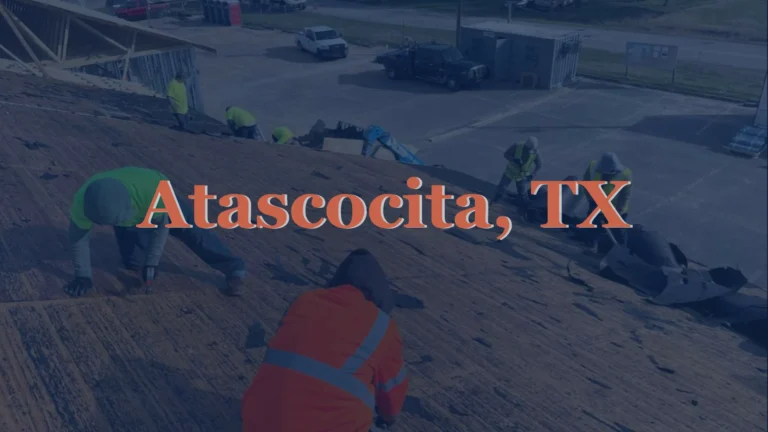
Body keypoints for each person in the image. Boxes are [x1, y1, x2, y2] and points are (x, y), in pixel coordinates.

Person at [242, 249, 408, 432]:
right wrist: (386, 419)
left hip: (256, 422)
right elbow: (391, 399)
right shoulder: (382, 325)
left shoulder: (304, 301)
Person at [64, 166, 247, 297]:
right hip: (130, 210)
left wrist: (152, 263)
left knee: (194, 234)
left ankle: (234, 268)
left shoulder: (153, 192)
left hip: (157, 197)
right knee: (133, 263)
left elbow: (162, 228)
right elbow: (78, 239)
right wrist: (83, 275)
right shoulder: (84, 202)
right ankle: (137, 249)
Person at [582, 152, 632, 250]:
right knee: (592, 227)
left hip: (616, 208)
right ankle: (591, 245)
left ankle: (621, 250)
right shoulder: (593, 167)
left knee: (618, 233)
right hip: (597, 203)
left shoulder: (626, 174)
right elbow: (586, 183)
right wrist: (591, 200)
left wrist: (618, 211)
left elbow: (625, 195)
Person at [491, 136, 542, 205]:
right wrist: (514, 160)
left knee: (522, 193)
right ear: (525, 146)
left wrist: (533, 174)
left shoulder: (535, 153)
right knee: (502, 188)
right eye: (527, 149)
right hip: (510, 172)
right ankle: (495, 201)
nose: (528, 151)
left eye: (530, 150)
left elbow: (539, 165)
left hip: (522, 175)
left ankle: (523, 207)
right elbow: (506, 154)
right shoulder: (517, 146)